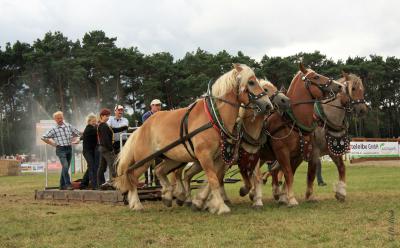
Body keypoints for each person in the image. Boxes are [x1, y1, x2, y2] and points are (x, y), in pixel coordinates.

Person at [41, 111, 81, 190]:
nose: (60, 119)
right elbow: (43, 137)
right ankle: (68, 184)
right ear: (55, 119)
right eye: (58, 118)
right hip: (60, 149)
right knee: (65, 166)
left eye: (61, 118)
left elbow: (78, 133)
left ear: (63, 117)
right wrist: (52, 144)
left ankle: (61, 185)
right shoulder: (53, 129)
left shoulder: (69, 126)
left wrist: (77, 140)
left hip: (69, 148)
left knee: (65, 168)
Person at [142, 99, 162, 186]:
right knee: (147, 164)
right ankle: (147, 182)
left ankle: (158, 182)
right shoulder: (146, 115)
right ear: (152, 106)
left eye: (159, 105)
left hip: (159, 142)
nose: (158, 107)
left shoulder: (162, 114)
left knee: (159, 162)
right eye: (156, 105)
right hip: (148, 142)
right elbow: (148, 128)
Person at [97, 108, 117, 189]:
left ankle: (100, 183)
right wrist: (111, 149)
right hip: (106, 148)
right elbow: (106, 139)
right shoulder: (103, 126)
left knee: (102, 167)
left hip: (102, 148)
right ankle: (112, 183)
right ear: (102, 116)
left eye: (108, 116)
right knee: (112, 165)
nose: (108, 117)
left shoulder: (102, 125)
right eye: (106, 116)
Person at [79, 113, 99, 190]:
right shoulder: (90, 128)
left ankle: (83, 184)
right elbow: (96, 131)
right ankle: (94, 185)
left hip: (91, 151)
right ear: (89, 121)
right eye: (93, 121)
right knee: (92, 167)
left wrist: (80, 138)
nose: (95, 122)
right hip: (87, 151)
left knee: (91, 166)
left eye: (95, 121)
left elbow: (83, 136)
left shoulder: (91, 128)